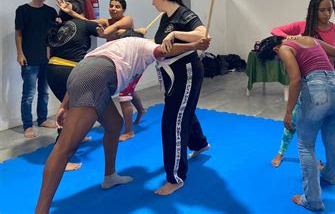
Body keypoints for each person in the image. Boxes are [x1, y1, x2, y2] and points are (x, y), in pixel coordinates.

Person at [34, 35, 211, 214]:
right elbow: (162, 50)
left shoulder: (116, 46)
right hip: (96, 79)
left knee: (114, 124)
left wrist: (65, 104)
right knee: (65, 148)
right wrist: (195, 44)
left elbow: (84, 71)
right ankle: (40, 211)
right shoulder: (146, 45)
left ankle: (110, 176)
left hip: (81, 73)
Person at [258, 35, 335, 212]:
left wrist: (288, 112)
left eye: (277, 60)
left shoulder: (283, 48)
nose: (280, 61)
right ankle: (331, 175)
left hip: (317, 90)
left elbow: (296, 80)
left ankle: (312, 200)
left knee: (306, 146)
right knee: (331, 138)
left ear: (275, 50)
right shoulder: (310, 39)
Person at [270, 0, 335, 177]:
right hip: (306, 81)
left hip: (329, 78)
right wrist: (295, 38)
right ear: (314, 10)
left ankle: (333, 166)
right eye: (322, 10)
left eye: (330, 9)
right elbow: (276, 31)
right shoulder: (304, 26)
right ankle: (280, 152)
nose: (327, 13)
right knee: (293, 118)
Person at [150, 0, 210, 195]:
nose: (152, 3)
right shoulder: (164, 17)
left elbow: (202, 33)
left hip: (186, 71)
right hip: (171, 73)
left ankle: (175, 178)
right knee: (184, 110)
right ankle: (200, 143)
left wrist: (176, 34)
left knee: (172, 121)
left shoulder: (184, 14)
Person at [57, 0, 146, 141]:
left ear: (123, 9)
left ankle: (129, 131)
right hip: (117, 64)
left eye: (117, 6)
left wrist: (105, 32)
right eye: (111, 6)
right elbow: (88, 23)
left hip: (131, 62)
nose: (114, 9)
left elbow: (111, 31)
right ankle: (141, 111)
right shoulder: (105, 22)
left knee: (124, 96)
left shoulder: (127, 20)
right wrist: (72, 13)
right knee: (129, 90)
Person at [47, 0, 100, 170]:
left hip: (53, 70)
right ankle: (61, 159)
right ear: (78, 12)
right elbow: (105, 30)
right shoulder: (82, 23)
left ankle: (77, 137)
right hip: (69, 72)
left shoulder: (59, 27)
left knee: (71, 110)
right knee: (70, 112)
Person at [15, 0, 58, 138]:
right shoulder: (22, 10)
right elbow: (18, 33)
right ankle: (27, 125)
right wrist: (20, 53)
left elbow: (55, 35)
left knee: (44, 92)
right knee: (28, 94)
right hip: (29, 58)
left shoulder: (51, 12)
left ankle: (42, 119)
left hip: (46, 58)